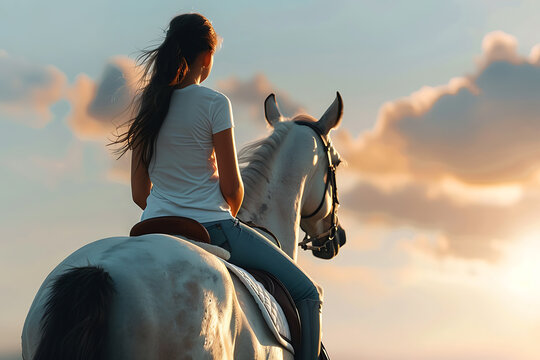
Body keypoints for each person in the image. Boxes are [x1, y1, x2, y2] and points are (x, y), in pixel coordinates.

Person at [113, 13, 323, 359]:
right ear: (206, 57)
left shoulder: (148, 107)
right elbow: (232, 190)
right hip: (213, 226)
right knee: (307, 293)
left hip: (152, 227)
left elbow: (139, 194)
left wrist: (168, 206)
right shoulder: (214, 104)